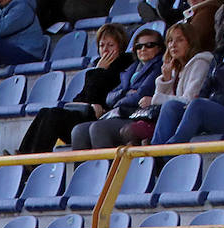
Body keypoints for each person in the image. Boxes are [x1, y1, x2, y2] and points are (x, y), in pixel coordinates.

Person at [78, 23, 207, 148]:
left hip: (144, 116)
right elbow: (109, 98)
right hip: (135, 114)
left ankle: (115, 168)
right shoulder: (139, 68)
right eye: (139, 46)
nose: (173, 45)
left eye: (149, 45)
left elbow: (181, 101)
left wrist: (153, 97)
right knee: (79, 131)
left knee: (98, 128)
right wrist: (166, 80)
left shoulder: (196, 63)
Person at [151, 11, 224, 144]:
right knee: (171, 106)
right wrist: (203, 98)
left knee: (199, 105)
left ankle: (171, 149)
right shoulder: (218, 57)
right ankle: (155, 153)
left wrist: (212, 100)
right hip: (218, 112)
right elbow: (206, 88)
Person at [16, 23, 131, 155]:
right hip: (85, 114)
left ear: (120, 47)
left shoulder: (122, 68)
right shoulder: (98, 67)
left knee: (53, 116)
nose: (105, 50)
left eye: (110, 45)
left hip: (98, 120)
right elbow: (82, 97)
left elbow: (96, 97)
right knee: (45, 112)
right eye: (102, 45)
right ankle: (24, 154)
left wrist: (99, 72)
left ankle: (36, 157)